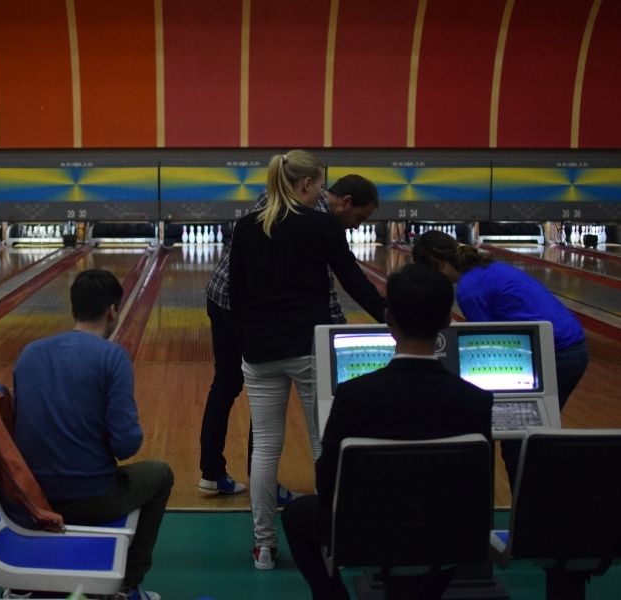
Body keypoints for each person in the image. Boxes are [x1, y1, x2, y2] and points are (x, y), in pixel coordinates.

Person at [282, 263, 494, 599]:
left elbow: (327, 481)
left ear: (389, 321)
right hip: (447, 535)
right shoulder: (476, 400)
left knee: (298, 515)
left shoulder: (354, 396)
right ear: (447, 322)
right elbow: (478, 487)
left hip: (366, 532)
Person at [228, 151, 387, 569]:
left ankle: (263, 546)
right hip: (309, 348)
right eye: (319, 186)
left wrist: (248, 343)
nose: (323, 194)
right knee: (322, 444)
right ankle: (325, 537)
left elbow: (236, 296)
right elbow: (353, 280)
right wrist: (392, 318)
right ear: (304, 186)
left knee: (265, 449)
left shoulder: (245, 227)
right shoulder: (323, 227)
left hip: (260, 353)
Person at [199, 173, 381, 499]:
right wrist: (384, 323)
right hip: (246, 305)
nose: (356, 227)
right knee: (266, 386)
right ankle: (265, 488)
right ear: (347, 202)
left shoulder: (284, 195)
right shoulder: (317, 222)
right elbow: (328, 292)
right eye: (360, 219)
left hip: (221, 295)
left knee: (227, 383)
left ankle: (212, 474)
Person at [11, 269, 173, 600]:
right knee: (160, 475)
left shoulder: (30, 353)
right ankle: (126, 585)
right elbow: (126, 445)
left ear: (73, 307)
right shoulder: (112, 357)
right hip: (89, 497)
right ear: (113, 311)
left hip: (31, 497)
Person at [412, 229, 589, 489]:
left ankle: (532, 511)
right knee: (533, 436)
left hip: (558, 354)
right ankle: (543, 504)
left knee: (519, 440)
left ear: (437, 265)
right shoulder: (488, 268)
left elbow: (486, 348)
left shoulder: (469, 290)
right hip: (572, 347)